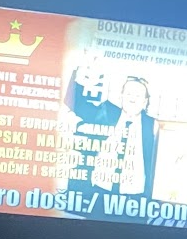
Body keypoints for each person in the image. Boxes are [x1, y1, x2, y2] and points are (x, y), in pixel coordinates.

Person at [66, 68, 158, 201]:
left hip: (135, 199)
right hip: (99, 192)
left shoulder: (153, 126)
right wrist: (79, 72)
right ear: (121, 97)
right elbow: (76, 104)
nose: (132, 97)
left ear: (145, 102)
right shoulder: (106, 113)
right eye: (129, 93)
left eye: (138, 95)